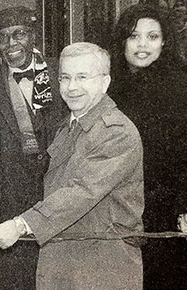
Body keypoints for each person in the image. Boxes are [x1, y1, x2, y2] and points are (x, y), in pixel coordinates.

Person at [0, 42, 144, 290]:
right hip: (65, 264)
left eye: (82, 77)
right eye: (65, 77)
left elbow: (81, 192)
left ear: (105, 83)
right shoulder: (69, 126)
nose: (72, 87)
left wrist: (21, 224)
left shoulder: (116, 132)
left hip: (102, 270)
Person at [0, 6, 68, 290]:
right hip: (10, 205)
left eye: (19, 34)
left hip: (58, 196)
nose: (12, 44)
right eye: (3, 37)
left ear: (33, 36)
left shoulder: (62, 76)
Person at [109, 4, 187, 288]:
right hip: (116, 206)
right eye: (134, 36)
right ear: (122, 41)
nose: (143, 45)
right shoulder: (107, 83)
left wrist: (184, 206)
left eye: (152, 37)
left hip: (166, 209)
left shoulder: (181, 84)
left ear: (165, 41)